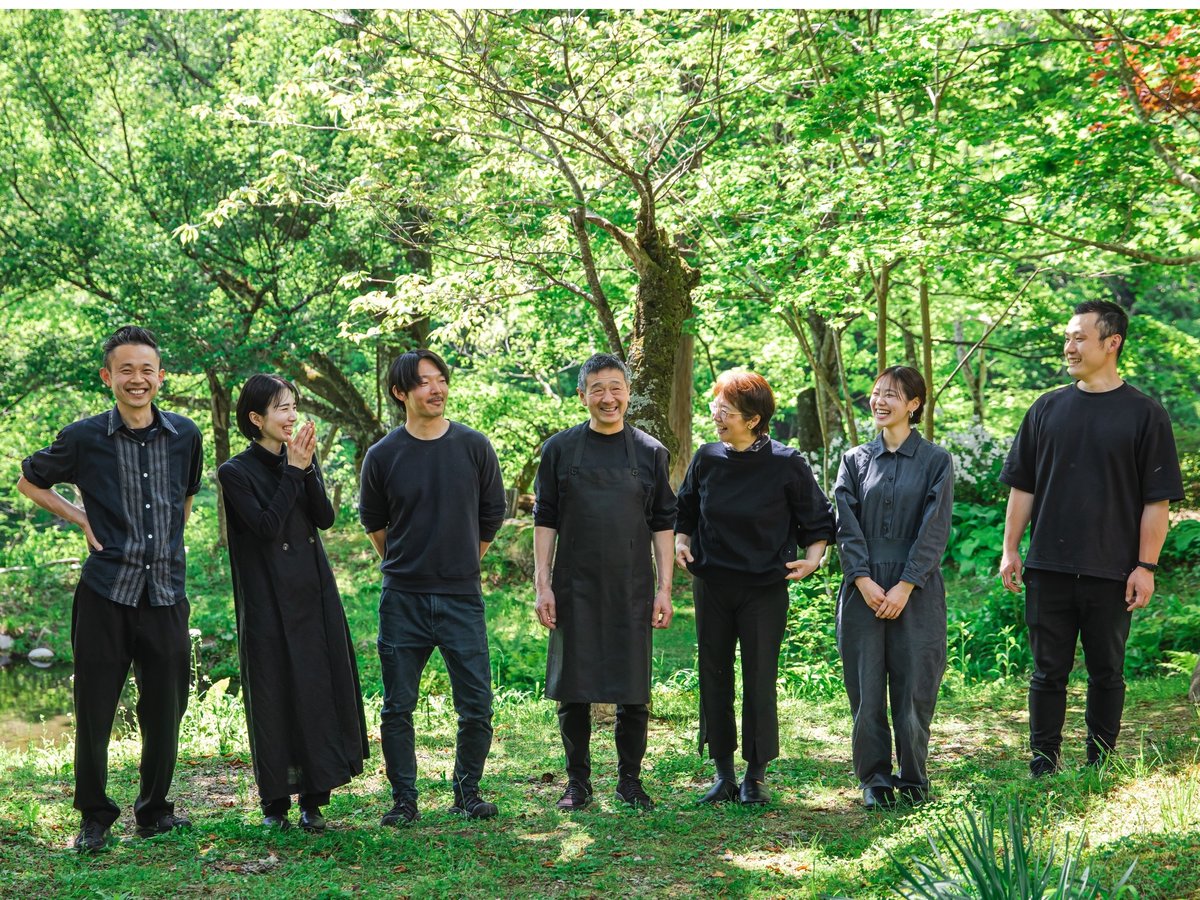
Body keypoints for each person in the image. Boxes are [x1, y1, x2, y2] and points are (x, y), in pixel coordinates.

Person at [16, 326, 202, 853]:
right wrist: (80, 516)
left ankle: (154, 811)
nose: (136, 379)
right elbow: (30, 481)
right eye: (126, 370)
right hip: (105, 593)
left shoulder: (186, 435)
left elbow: (185, 498)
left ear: (160, 377)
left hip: (165, 593)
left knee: (165, 709)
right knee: (95, 710)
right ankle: (94, 818)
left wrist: (166, 544)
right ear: (108, 377)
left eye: (146, 370)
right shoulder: (83, 437)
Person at [999, 300, 1184, 776]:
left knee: (1107, 672)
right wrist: (1010, 549)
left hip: (1112, 570)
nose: (1069, 346)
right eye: (1067, 337)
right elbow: (1023, 486)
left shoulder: (1145, 414)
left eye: (1079, 337)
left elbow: (1157, 502)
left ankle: (1099, 763)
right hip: (1048, 566)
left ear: (1112, 343)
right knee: (1047, 672)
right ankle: (1043, 762)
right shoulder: (1046, 408)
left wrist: (1146, 566)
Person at [359, 349, 506, 825]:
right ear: (400, 392)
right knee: (397, 706)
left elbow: (491, 514)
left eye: (440, 378)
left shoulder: (474, 446)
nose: (436, 388)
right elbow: (375, 524)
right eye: (423, 382)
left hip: (462, 596)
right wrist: (409, 564)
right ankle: (404, 800)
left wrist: (462, 561)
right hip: (402, 598)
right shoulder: (383, 455)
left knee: (476, 706)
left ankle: (467, 793)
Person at [674, 370, 835, 805]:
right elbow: (685, 509)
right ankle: (723, 774)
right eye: (716, 407)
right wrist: (682, 542)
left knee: (759, 678)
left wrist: (813, 559)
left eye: (725, 411)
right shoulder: (707, 457)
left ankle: (755, 776)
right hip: (712, 584)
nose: (716, 416)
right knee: (714, 674)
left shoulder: (786, 462)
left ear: (753, 419)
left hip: (764, 589)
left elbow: (819, 519)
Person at [217, 375, 369, 832]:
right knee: (274, 693)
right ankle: (275, 804)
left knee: (316, 687)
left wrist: (305, 468)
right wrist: (294, 471)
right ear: (256, 418)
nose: (292, 416)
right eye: (282, 408)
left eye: (293, 407)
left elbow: (324, 517)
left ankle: (315, 799)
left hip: (312, 592)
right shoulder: (235, 472)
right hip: (266, 599)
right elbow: (266, 527)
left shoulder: (300, 456)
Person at [533, 353, 676, 812]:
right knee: (572, 689)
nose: (608, 398)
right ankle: (578, 783)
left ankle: (629, 781)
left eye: (616, 388)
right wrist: (542, 584)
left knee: (633, 691)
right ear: (582, 396)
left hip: (631, 588)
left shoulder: (651, 452)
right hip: (572, 587)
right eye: (598, 389)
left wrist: (664, 589)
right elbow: (545, 518)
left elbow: (663, 524)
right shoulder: (559, 449)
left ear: (628, 393)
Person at [833, 366, 953, 809]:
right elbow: (844, 524)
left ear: (914, 404)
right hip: (862, 589)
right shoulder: (854, 460)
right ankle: (875, 779)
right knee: (865, 689)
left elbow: (935, 528)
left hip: (917, 590)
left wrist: (905, 585)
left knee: (915, 687)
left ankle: (915, 777)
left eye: (892, 395)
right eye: (877, 393)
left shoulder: (936, 460)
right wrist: (862, 579)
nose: (880, 401)